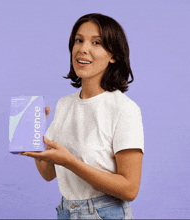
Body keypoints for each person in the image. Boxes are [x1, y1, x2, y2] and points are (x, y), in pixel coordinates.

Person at [20, 13, 144, 219]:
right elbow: (48, 174)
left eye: (96, 42)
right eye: (79, 40)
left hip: (105, 213)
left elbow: (130, 190)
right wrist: (34, 138)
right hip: (66, 211)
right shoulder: (65, 104)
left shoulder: (124, 108)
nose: (83, 49)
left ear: (113, 55)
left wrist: (70, 162)